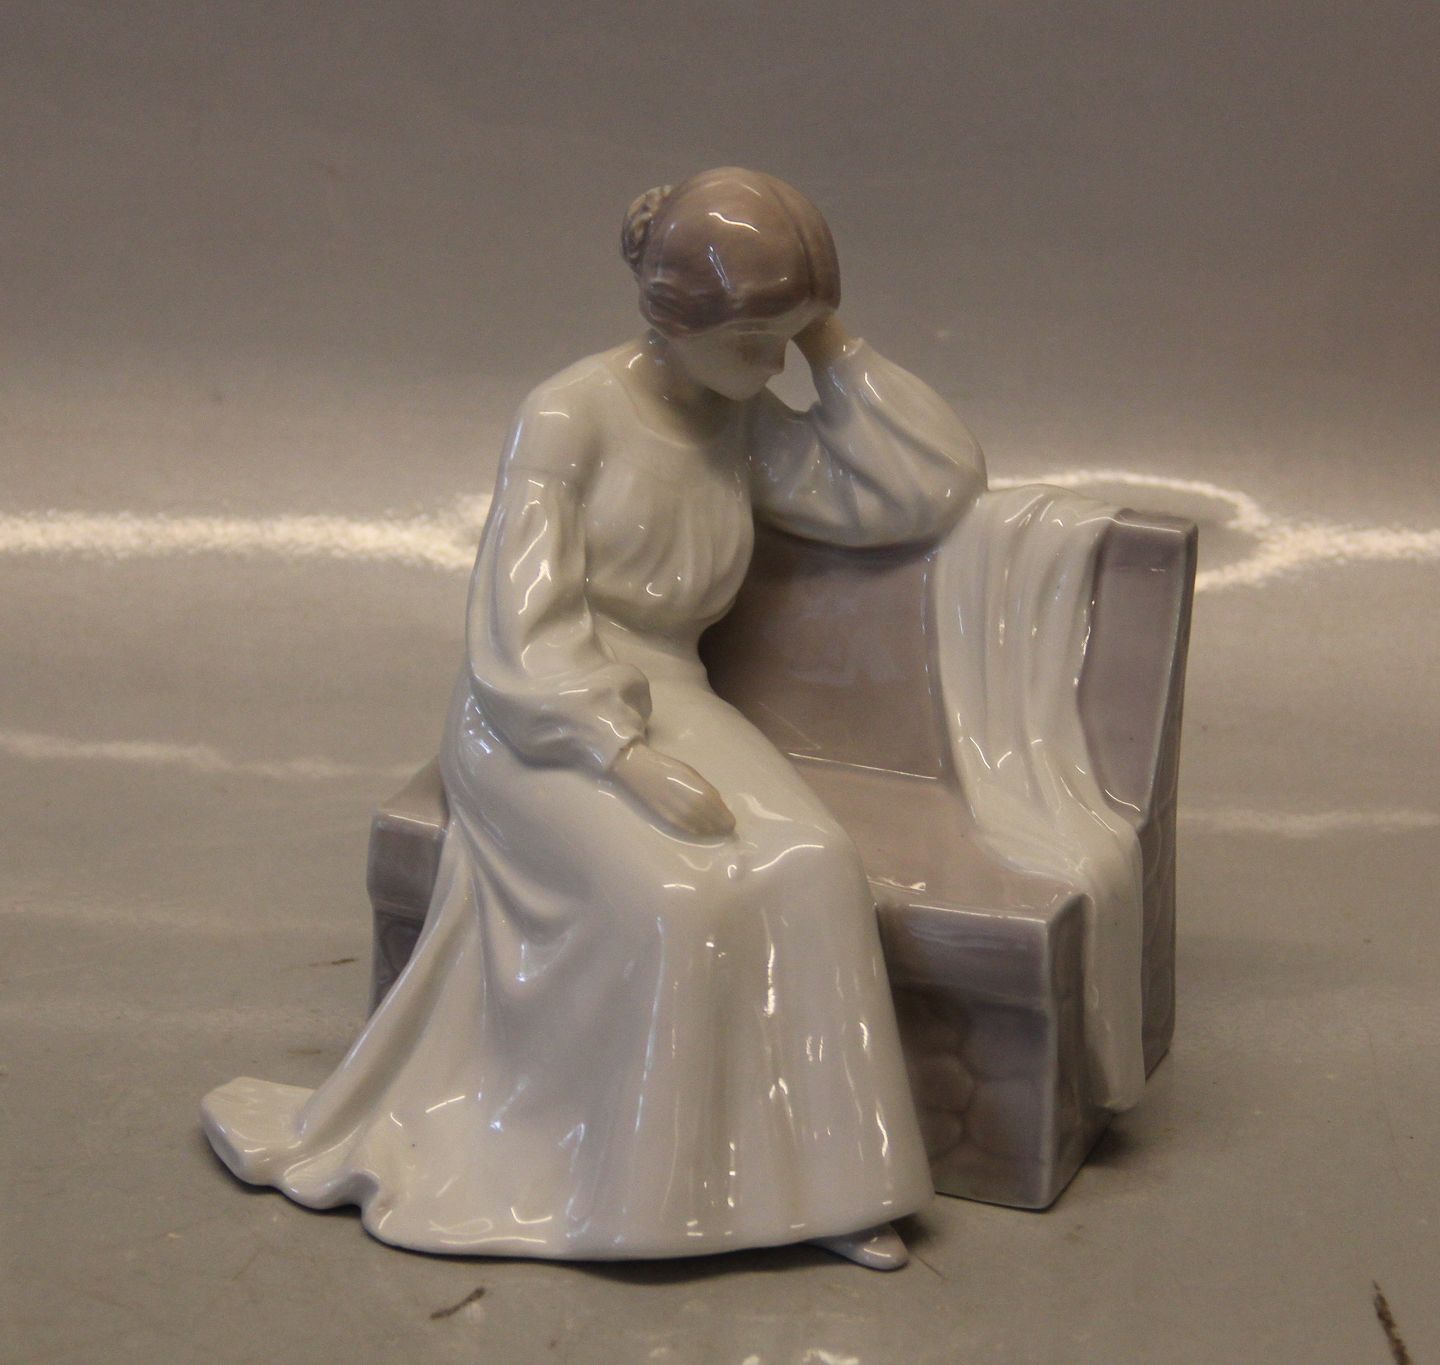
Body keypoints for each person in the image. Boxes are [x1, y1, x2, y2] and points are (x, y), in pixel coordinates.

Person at [202, 167, 987, 1269]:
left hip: (671, 689)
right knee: (676, 896)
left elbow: (925, 487)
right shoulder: (570, 415)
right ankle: (626, 1191)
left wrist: (828, 337)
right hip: (537, 713)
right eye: (752, 341)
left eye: (783, 343)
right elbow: (519, 623)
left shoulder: (740, 416)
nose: (772, 368)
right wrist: (622, 757)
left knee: (811, 866)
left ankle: (834, 1185)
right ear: (674, 318)